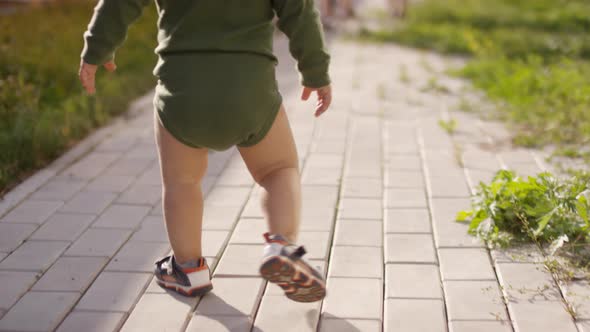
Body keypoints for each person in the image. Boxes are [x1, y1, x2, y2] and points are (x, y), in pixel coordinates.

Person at [79, 0, 332, 303]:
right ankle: (281, 245)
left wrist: (97, 49)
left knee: (181, 183)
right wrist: (315, 71)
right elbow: (299, 11)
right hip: (250, 88)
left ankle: (188, 270)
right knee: (278, 170)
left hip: (183, 91)